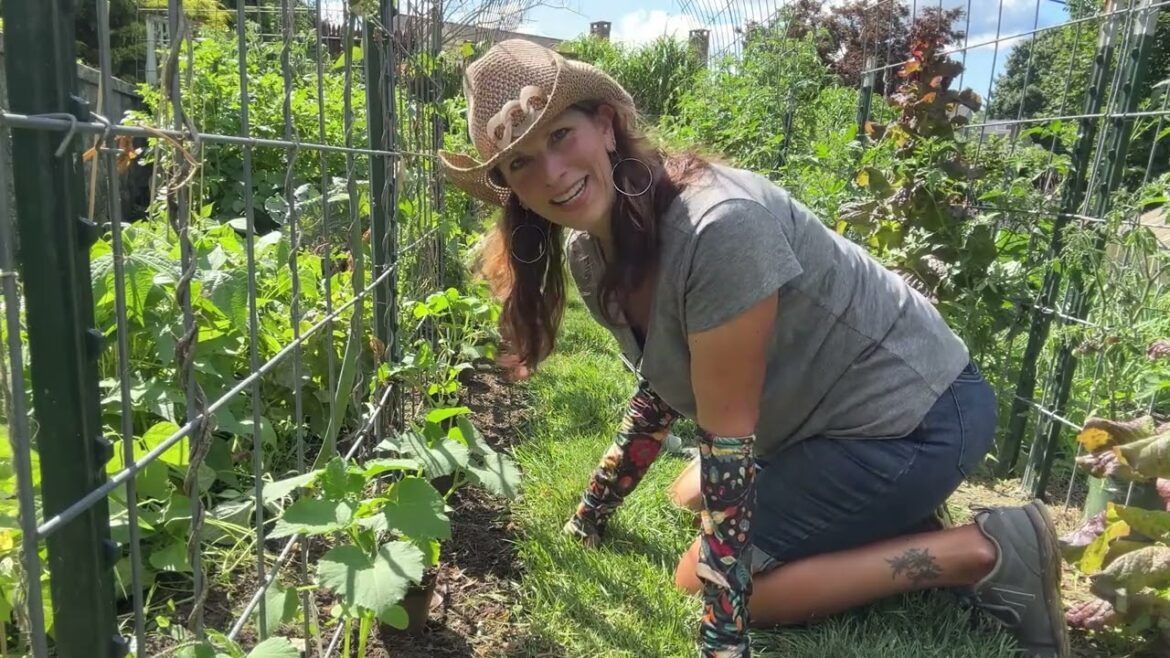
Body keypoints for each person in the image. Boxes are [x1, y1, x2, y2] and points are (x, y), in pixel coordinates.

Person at [438, 39, 1070, 658]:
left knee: (704, 575)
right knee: (687, 494)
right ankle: (889, 516)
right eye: (521, 162)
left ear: (605, 126)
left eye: (560, 135)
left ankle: (985, 549)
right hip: (823, 422)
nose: (552, 172)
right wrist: (591, 513)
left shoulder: (719, 228)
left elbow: (728, 447)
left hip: (918, 419)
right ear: (511, 188)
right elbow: (660, 387)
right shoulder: (591, 252)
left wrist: (723, 638)